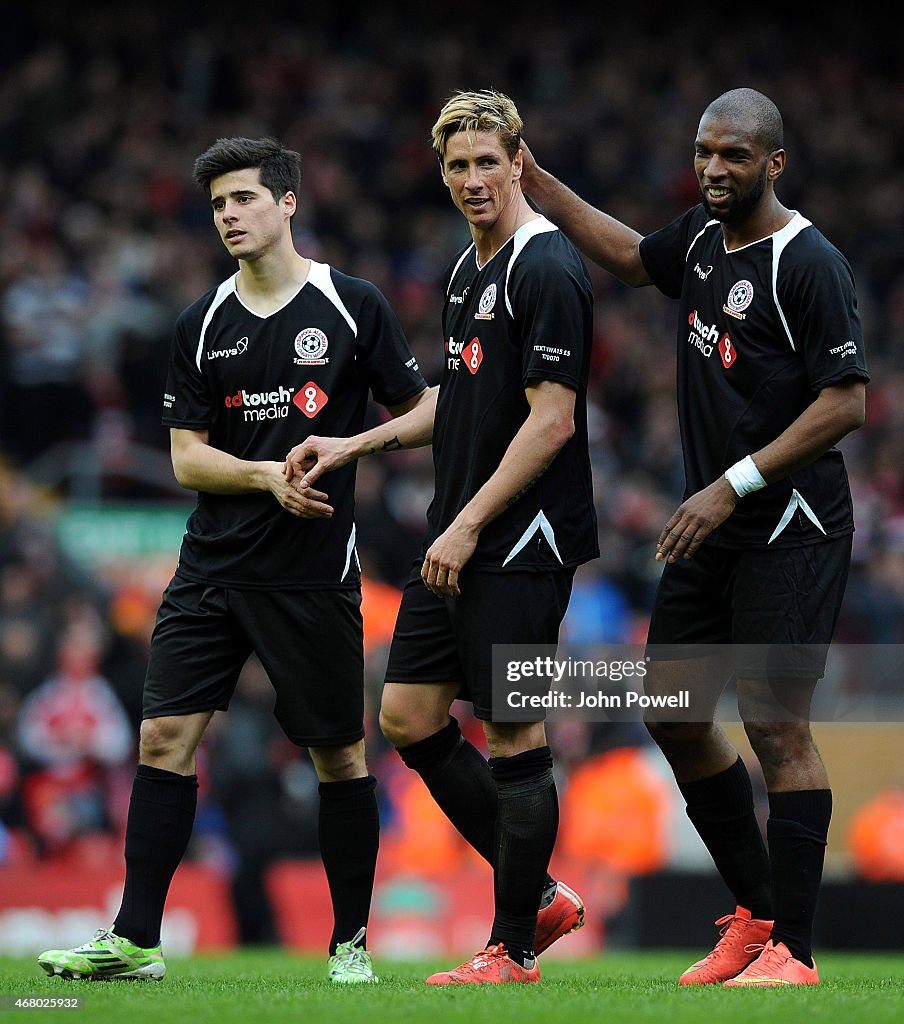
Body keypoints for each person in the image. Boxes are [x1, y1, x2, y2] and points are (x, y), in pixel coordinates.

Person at [36, 136, 431, 984]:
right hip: (212, 566)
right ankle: (137, 940)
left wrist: (352, 443)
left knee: (337, 754)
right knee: (163, 736)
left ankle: (350, 944)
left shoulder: (351, 304)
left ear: (287, 202)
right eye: (218, 204)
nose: (228, 216)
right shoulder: (201, 321)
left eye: (244, 198)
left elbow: (426, 407)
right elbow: (185, 457)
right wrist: (262, 476)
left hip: (312, 573)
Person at [520, 87, 869, 987]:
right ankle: (757, 916)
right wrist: (537, 182)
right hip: (707, 526)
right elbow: (635, 259)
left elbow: (846, 402)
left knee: (773, 725)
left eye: (735, 156)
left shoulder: (808, 262)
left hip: (788, 527)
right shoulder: (706, 238)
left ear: (775, 163)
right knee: (671, 711)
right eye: (706, 152)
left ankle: (797, 949)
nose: (715, 169)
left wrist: (735, 481)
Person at [286, 89, 599, 985]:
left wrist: (464, 525)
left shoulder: (546, 268)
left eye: (487, 163)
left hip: (520, 539)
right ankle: (535, 893)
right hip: (458, 533)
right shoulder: (471, 269)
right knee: (408, 716)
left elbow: (551, 425)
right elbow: (447, 404)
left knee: (512, 734)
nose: (472, 180)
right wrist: (354, 440)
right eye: (457, 165)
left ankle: (512, 947)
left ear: (518, 162)